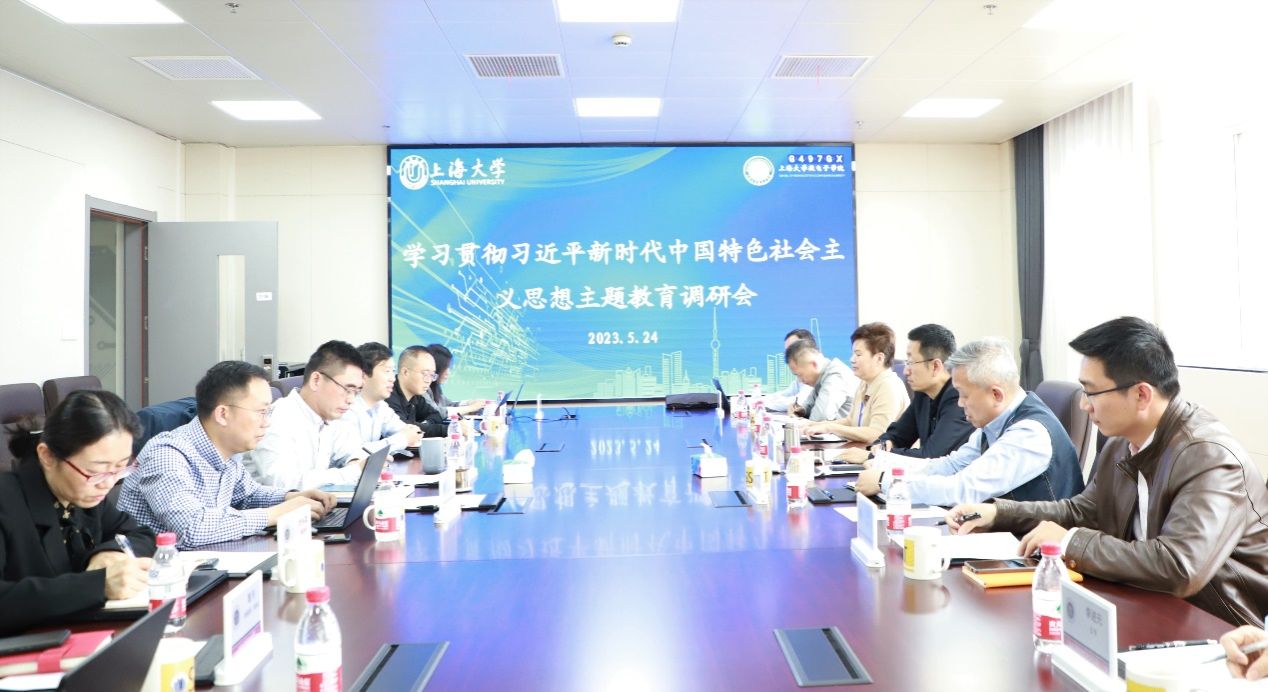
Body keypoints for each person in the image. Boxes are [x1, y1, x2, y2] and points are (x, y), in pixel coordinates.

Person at [947, 317, 1268, 626]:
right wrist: (997, 513)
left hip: (1217, 626)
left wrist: (1071, 542)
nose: (1084, 405)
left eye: (1091, 392)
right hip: (1142, 603)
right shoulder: (1121, 444)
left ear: (1141, 395)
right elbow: (1083, 511)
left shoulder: (1209, 457)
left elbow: (1179, 567)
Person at [119, 361, 336, 549]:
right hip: (161, 576)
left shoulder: (226, 451)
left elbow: (248, 495)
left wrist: (291, 497)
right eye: (261, 412)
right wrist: (276, 514)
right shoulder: (167, 454)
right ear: (223, 414)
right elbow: (192, 527)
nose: (267, 422)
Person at [855, 337, 1083, 506]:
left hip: (1036, 548)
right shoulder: (994, 422)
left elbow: (964, 489)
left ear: (996, 394)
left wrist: (887, 483)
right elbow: (951, 466)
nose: (960, 403)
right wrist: (885, 466)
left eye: (964, 395)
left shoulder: (1028, 434)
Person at [0, 390, 156, 635]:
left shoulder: (84, 495)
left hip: (81, 634)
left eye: (120, 468)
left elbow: (139, 534)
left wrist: (108, 553)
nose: (108, 484)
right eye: (96, 471)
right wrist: (98, 585)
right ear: (47, 456)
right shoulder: (7, 502)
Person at [244, 340, 369, 489]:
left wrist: (356, 462)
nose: (351, 400)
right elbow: (282, 483)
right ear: (316, 380)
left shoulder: (327, 416)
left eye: (356, 392)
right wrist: (352, 472)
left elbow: (352, 451)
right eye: (347, 389)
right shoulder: (279, 418)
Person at [869, 324, 974, 458]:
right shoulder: (923, 394)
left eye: (911, 362)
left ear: (935, 366)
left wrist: (878, 455)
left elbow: (931, 456)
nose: (905, 371)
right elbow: (897, 435)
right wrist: (882, 446)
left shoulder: (959, 399)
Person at [803, 322, 910, 444]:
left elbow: (877, 434)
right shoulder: (865, 382)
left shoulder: (889, 387)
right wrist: (817, 425)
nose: (852, 359)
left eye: (858, 354)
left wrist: (830, 428)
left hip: (886, 454)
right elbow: (851, 421)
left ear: (879, 358)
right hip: (865, 450)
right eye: (853, 353)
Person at [341, 342, 423, 454]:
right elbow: (352, 454)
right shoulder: (346, 407)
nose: (392, 378)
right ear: (363, 374)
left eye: (393, 371)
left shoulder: (380, 406)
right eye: (387, 371)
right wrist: (401, 439)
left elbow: (406, 430)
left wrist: (411, 433)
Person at [786, 340, 858, 422]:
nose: (800, 380)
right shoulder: (822, 376)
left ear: (814, 364)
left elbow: (820, 419)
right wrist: (800, 411)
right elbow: (809, 406)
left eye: (800, 374)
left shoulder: (835, 376)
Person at [386, 345, 449, 437]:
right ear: (405, 372)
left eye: (432, 375)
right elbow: (404, 428)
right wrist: (450, 430)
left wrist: (423, 425)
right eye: (425, 374)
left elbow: (436, 415)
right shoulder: (388, 395)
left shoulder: (415, 395)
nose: (428, 380)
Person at [425, 344, 484, 418]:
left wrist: (469, 403)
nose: (448, 373)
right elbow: (437, 412)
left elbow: (449, 405)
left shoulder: (435, 387)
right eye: (445, 368)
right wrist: (471, 408)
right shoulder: (423, 389)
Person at [766, 328, 817, 413]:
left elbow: (799, 401)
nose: (789, 354)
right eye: (787, 351)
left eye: (793, 349)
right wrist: (758, 401)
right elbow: (785, 394)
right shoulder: (801, 376)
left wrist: (763, 404)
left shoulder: (816, 374)